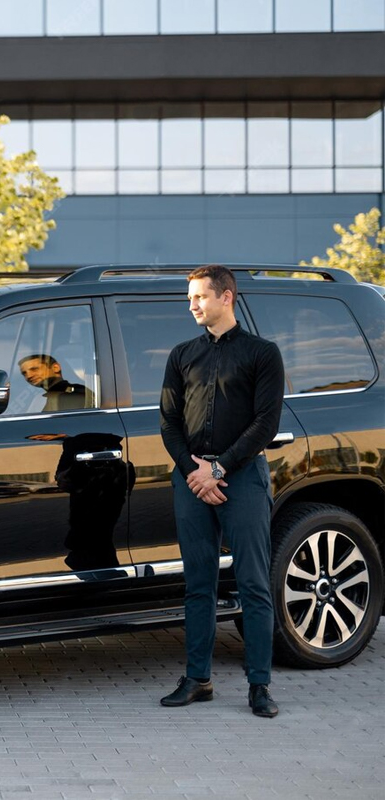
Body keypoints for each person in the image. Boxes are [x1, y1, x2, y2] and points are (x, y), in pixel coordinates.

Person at [158, 264, 285, 718]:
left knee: (253, 583)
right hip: (191, 478)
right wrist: (195, 471)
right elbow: (168, 422)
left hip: (242, 477)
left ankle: (259, 685)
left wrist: (219, 467)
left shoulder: (262, 353)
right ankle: (198, 679)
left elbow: (266, 423)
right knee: (198, 584)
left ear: (226, 297)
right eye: (189, 298)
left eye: (199, 297)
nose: (191, 305)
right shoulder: (182, 355)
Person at [17, 353, 94, 412]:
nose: (29, 376)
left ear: (55, 368)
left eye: (34, 369)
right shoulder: (37, 398)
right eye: (24, 373)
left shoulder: (78, 393)